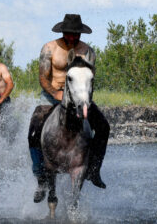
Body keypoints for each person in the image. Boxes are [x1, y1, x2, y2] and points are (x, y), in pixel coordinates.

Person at [29, 14, 110, 203]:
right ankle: (41, 178)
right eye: (69, 34)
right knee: (34, 131)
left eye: (76, 34)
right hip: (51, 95)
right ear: (63, 32)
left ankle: (94, 171)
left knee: (104, 127)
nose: (73, 38)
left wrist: (84, 99)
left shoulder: (87, 51)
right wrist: (56, 94)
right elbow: (43, 77)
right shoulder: (49, 48)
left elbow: (89, 80)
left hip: (79, 97)